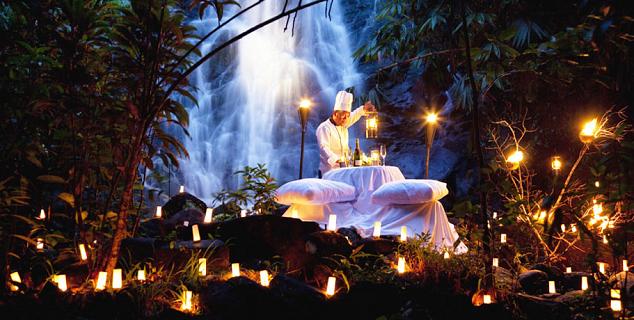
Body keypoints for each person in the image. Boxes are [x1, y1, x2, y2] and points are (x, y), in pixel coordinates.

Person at [316, 90, 376, 175]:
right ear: (335, 113)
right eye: (344, 116)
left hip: (344, 169)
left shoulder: (343, 123)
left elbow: (355, 114)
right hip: (329, 171)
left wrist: (363, 109)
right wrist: (337, 159)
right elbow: (323, 148)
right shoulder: (324, 128)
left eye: (348, 116)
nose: (346, 119)